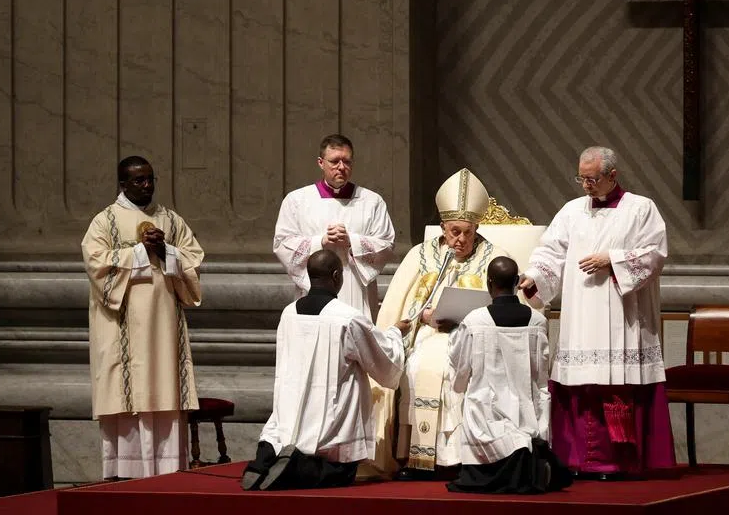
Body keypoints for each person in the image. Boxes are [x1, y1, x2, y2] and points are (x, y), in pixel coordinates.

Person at [518, 146, 674, 479]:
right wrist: (534, 277)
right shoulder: (572, 211)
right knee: (580, 385)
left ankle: (618, 461)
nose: (586, 185)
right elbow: (551, 252)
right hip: (581, 315)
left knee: (615, 383)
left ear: (613, 175)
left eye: (593, 179)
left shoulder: (641, 208)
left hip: (621, 316)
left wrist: (612, 260)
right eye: (582, 178)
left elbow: (654, 253)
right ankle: (575, 460)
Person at [370, 168, 510, 477]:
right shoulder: (422, 255)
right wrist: (423, 315)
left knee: (451, 370)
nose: (460, 240)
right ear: (442, 227)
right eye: (454, 231)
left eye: (468, 233)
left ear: (477, 228)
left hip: (472, 340)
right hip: (425, 335)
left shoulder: (494, 257)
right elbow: (400, 305)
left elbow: (508, 306)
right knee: (421, 366)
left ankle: (458, 458)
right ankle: (419, 458)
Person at [241, 249, 411, 491]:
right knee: (337, 472)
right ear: (336, 276)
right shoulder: (347, 317)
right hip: (330, 420)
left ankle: (264, 460)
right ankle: (296, 470)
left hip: (292, 407)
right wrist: (395, 332)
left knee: (283, 433)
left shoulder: (288, 313)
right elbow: (381, 359)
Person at [81, 156, 205, 479]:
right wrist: (138, 251)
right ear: (123, 184)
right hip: (122, 329)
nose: (147, 185)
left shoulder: (170, 220)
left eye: (150, 179)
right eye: (139, 181)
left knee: (164, 391)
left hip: (164, 332)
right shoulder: (104, 222)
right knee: (128, 397)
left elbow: (194, 262)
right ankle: (124, 476)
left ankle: (167, 474)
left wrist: (167, 252)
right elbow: (96, 266)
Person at [446, 257, 571, 494]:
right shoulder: (537, 321)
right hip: (527, 411)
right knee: (532, 404)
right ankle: (527, 454)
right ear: (516, 281)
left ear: (488, 282)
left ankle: (494, 468)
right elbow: (541, 373)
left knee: (472, 399)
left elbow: (460, 367)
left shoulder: (475, 321)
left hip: (487, 412)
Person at [273, 134, 395, 319]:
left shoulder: (372, 201)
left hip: (356, 285)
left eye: (347, 161)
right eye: (335, 161)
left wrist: (351, 241)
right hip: (314, 290)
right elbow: (283, 243)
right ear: (321, 163)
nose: (341, 167)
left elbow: (386, 243)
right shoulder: (297, 200)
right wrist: (320, 242)